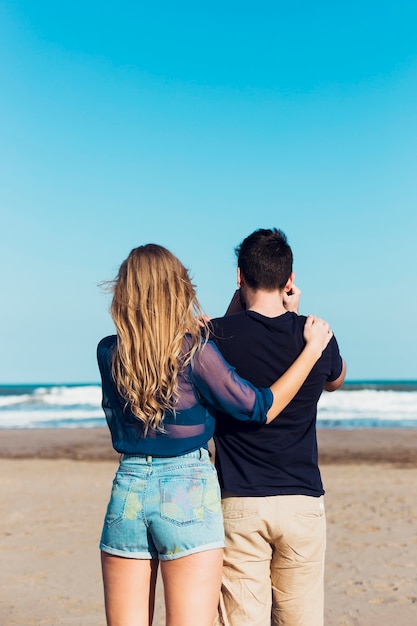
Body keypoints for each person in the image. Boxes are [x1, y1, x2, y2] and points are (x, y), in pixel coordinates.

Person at [96, 243, 333, 626]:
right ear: (179, 289)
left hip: (128, 490)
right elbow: (259, 406)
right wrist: (310, 349)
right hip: (187, 492)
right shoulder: (196, 351)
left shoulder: (109, 353)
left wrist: (228, 315)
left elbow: (194, 352)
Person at [210, 228, 346, 626]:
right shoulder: (315, 336)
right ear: (289, 281)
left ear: (239, 277)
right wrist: (294, 317)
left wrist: (236, 305)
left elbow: (223, 333)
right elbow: (334, 380)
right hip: (302, 501)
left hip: (239, 501)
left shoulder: (215, 337)